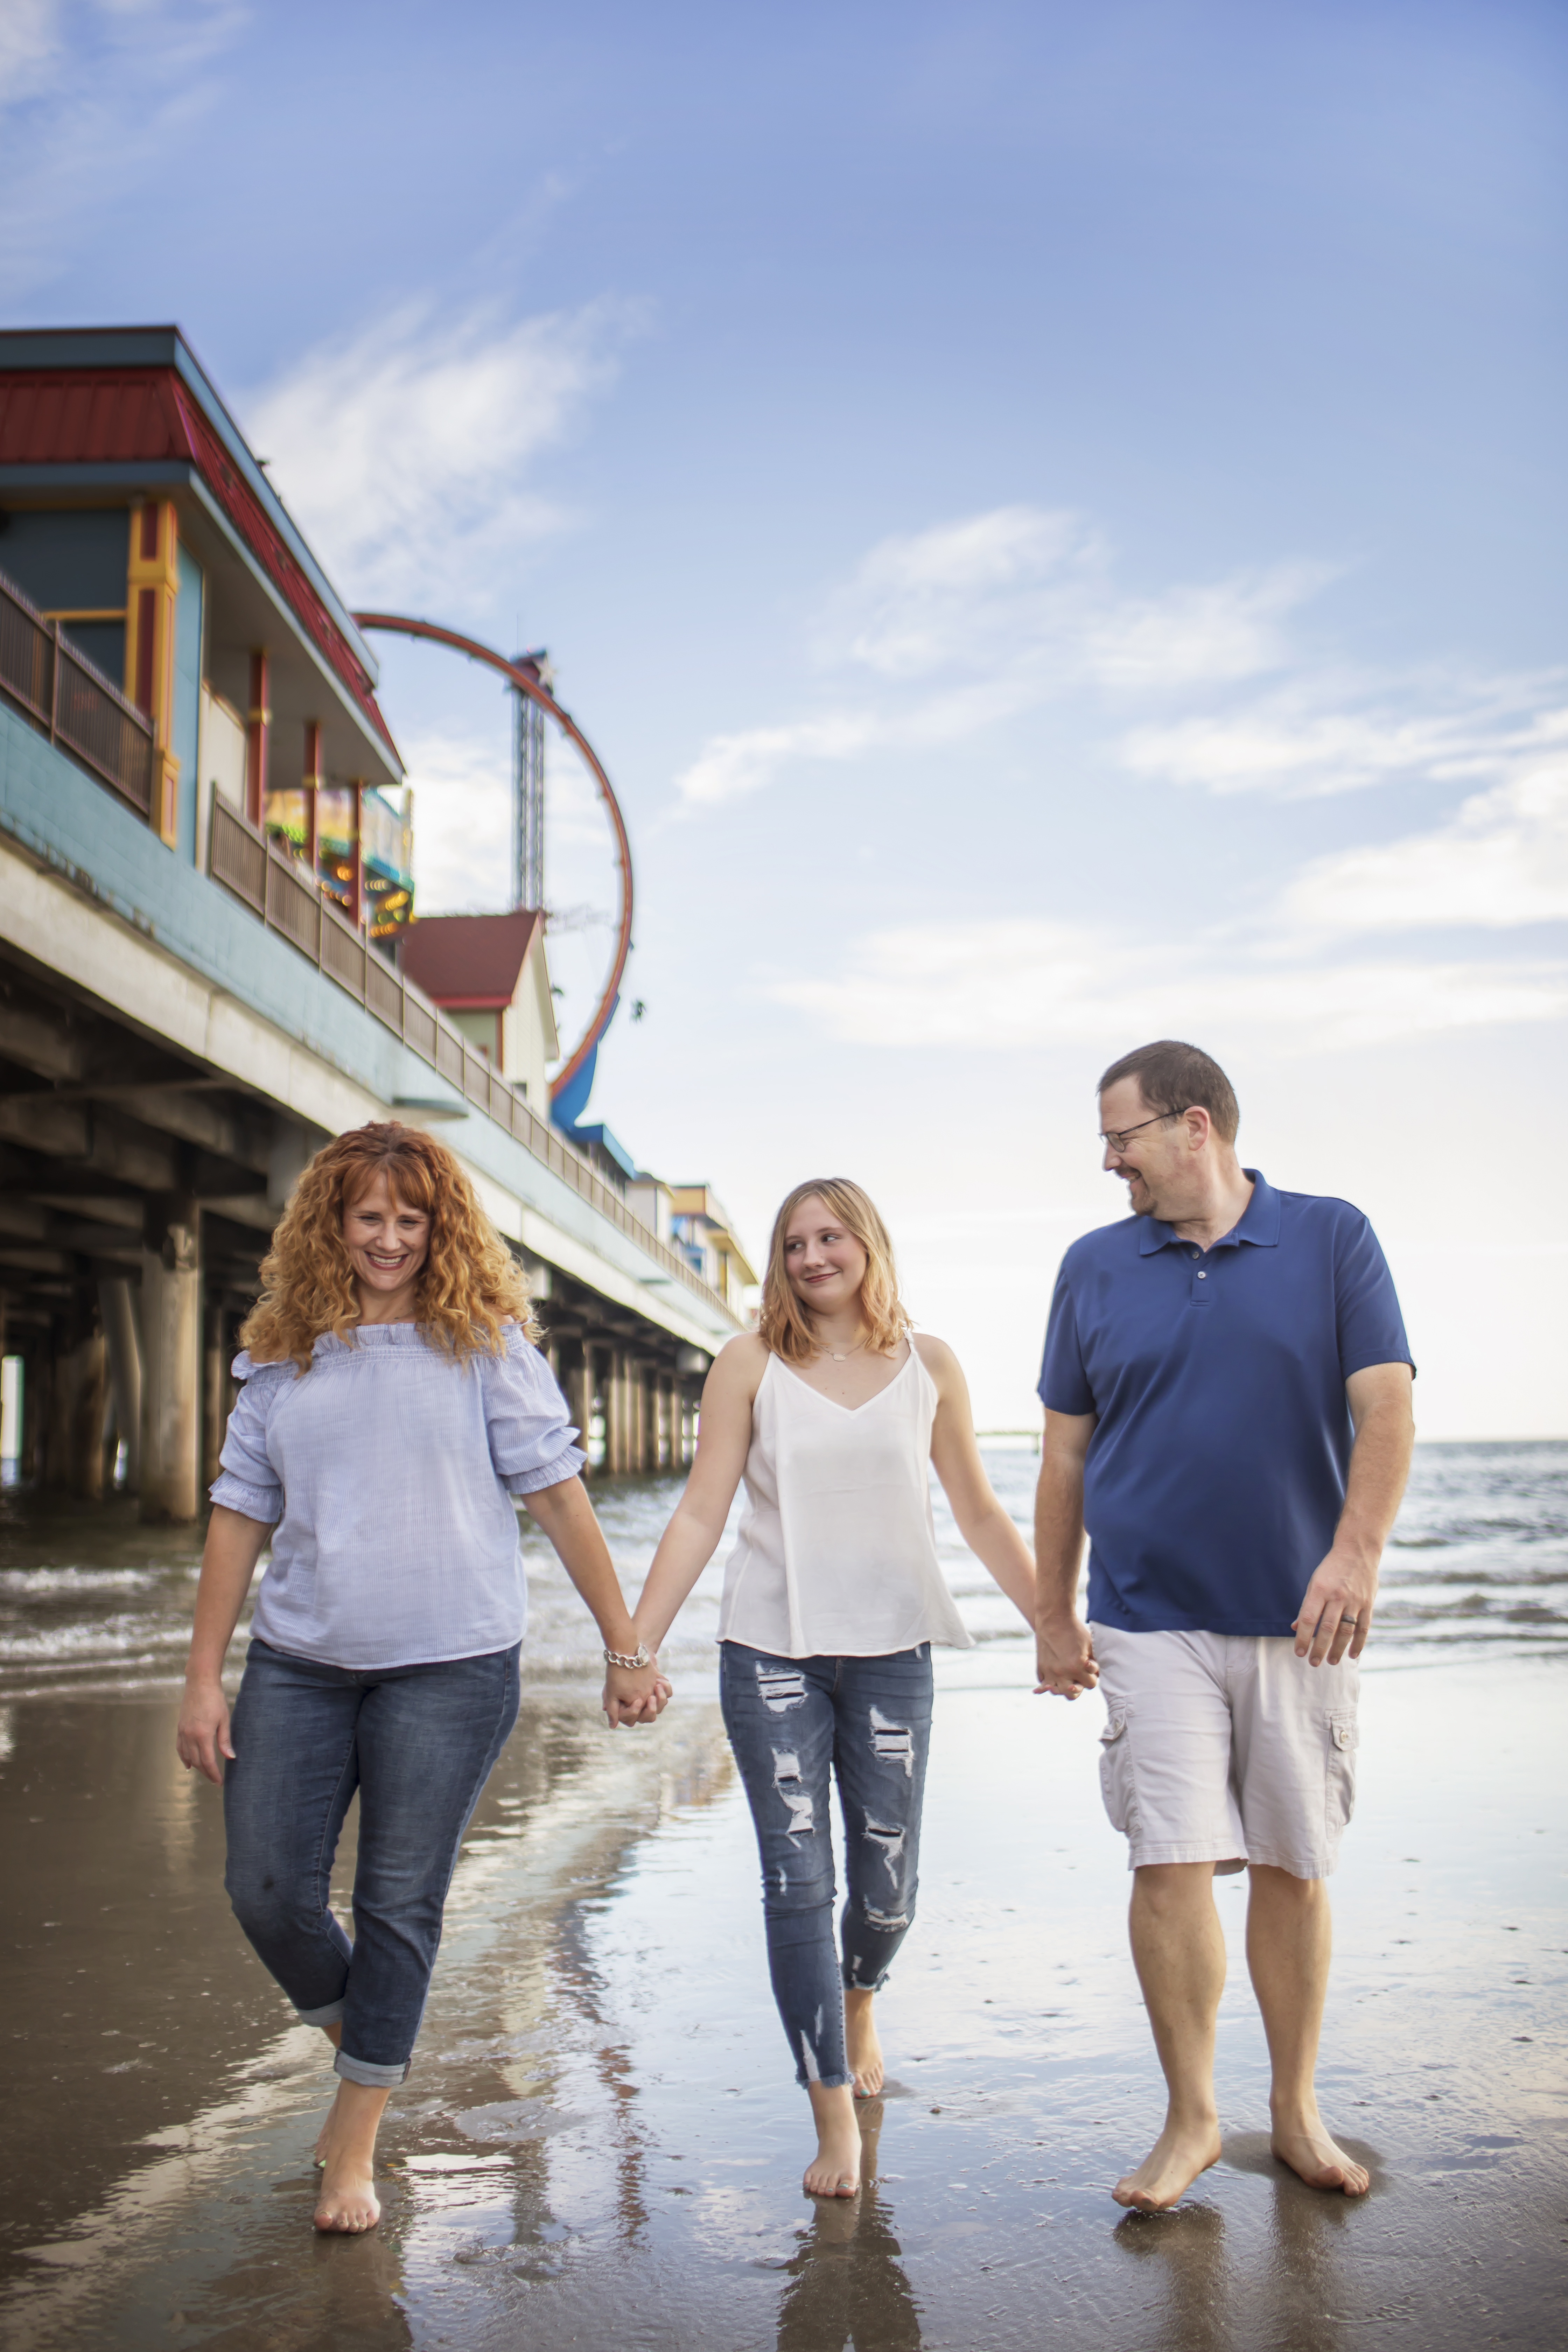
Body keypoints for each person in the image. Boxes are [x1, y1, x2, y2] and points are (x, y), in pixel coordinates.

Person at [175, 1122, 666, 2235]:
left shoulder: (487, 1348)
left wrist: (625, 1644)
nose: (389, 1238)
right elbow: (236, 1519)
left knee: (400, 1904)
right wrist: (203, 1677)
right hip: (301, 1665)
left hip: (450, 1670)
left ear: (439, 1228)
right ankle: (371, 2033)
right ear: (331, 1226)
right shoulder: (282, 1359)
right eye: (368, 1218)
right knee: (264, 1887)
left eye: (410, 1218)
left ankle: (352, 2144)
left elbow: (559, 1501)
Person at [1033, 1041, 1415, 2212]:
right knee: (1170, 1859)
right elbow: (1064, 1454)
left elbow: (1387, 1405)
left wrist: (1354, 1557)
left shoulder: (1332, 1238)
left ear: (1194, 1126)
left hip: (1299, 1620)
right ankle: (1193, 2119)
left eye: (1124, 1136)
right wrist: (1054, 1611)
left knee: (1294, 1863)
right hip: (1148, 1616)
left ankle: (1293, 2109)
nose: (1110, 1161)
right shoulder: (1094, 1266)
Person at [632, 1178, 1036, 2202]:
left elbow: (981, 1514)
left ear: (868, 1244)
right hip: (770, 1650)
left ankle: (863, 1996)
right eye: (794, 1243)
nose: (812, 1257)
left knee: (888, 1887)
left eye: (830, 1237)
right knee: (798, 1883)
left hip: (896, 1651)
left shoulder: (929, 1364)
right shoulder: (749, 1364)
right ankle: (831, 2116)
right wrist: (634, 1643)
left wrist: (1055, 1623)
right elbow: (697, 1515)